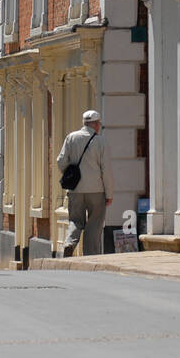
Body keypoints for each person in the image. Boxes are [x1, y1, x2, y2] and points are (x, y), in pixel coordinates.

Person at [59, 110, 110, 257]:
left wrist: (70, 174)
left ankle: (69, 243)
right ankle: (90, 254)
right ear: (96, 124)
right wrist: (110, 193)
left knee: (75, 220)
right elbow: (106, 170)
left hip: (75, 189)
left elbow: (61, 161)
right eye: (99, 123)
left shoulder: (71, 138)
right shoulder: (101, 141)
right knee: (94, 223)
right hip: (96, 189)